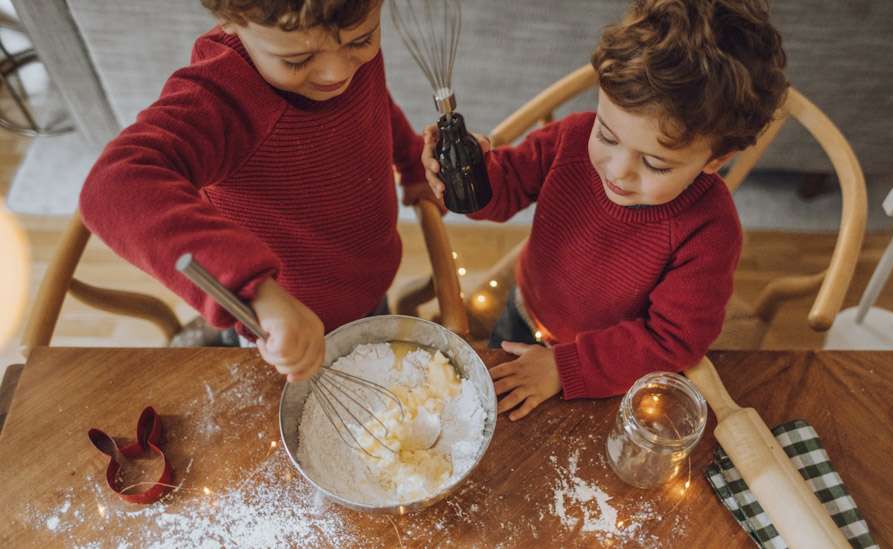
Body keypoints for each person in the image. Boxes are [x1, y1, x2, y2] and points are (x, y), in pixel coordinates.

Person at [422, 0, 788, 420]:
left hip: (611, 367)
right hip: (526, 311)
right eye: (607, 134)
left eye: (654, 163)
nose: (618, 171)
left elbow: (672, 341)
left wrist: (565, 366)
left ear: (714, 161)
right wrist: (467, 180)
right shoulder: (572, 139)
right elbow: (504, 191)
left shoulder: (709, 230)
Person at [81, 0, 435, 382]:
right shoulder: (222, 100)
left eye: (363, 40)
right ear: (229, 21)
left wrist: (412, 159)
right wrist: (254, 292)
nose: (338, 72)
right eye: (298, 60)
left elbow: (373, 105)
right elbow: (113, 186)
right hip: (284, 324)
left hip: (368, 282)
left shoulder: (342, 46)